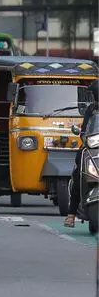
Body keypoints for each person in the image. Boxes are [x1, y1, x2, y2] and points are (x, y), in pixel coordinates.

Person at [65, 79, 99, 227]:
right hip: (92, 147)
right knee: (78, 173)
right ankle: (71, 214)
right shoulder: (91, 109)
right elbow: (85, 130)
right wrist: (84, 136)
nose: (93, 96)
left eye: (94, 94)